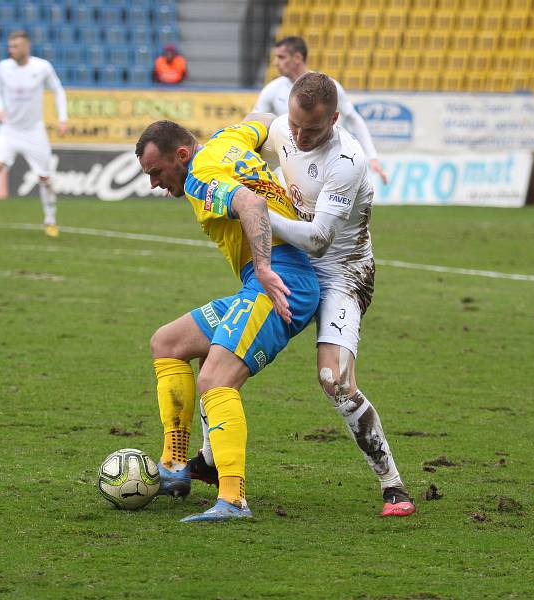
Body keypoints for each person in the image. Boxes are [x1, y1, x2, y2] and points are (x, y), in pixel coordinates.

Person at [191, 72, 416, 517]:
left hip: (344, 271)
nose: (298, 136)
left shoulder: (347, 162)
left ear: (334, 118)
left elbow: (317, 239)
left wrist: (252, 210)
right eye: (294, 125)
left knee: (334, 380)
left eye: (311, 130)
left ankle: (393, 484)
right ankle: (209, 459)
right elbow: (255, 131)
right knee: (222, 350)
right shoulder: (284, 129)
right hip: (292, 266)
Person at [136, 119, 320, 522]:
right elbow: (269, 124)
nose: (154, 184)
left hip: (279, 282)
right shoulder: (228, 139)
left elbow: (250, 205)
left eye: (156, 172)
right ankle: (175, 465)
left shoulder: (200, 177)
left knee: (215, 379)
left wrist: (266, 267)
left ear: (181, 156)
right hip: (264, 282)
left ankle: (233, 499)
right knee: (167, 342)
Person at [253, 36, 388, 185]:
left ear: (297, 57)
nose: (275, 62)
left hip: (325, 163)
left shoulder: (328, 88)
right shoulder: (272, 89)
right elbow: (255, 123)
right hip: (287, 166)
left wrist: (372, 157)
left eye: (281, 57)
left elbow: (353, 118)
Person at [0, 30, 67, 237]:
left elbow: (58, 90)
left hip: (34, 131)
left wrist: (62, 118)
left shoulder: (42, 67)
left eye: (15, 47)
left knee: (44, 177)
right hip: (9, 130)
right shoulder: (3, 67)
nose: (11, 50)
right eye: (10, 46)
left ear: (26, 47)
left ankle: (50, 221)